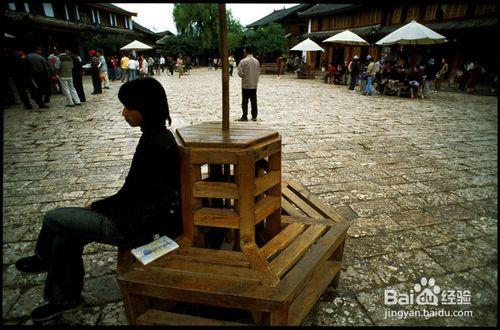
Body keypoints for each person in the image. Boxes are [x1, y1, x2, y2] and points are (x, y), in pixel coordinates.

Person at [14, 77, 183, 323]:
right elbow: (134, 192)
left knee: (53, 218)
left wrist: (96, 206)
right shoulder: (155, 136)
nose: (123, 113)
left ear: (144, 108)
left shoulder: (156, 144)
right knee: (64, 236)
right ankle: (64, 299)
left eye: (128, 107)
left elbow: (133, 197)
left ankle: (42, 258)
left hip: (133, 227)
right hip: (135, 216)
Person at [237, 46, 260, 122]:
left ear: (246, 51)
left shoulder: (243, 61)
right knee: (254, 101)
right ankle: (254, 116)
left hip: (246, 84)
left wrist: (245, 75)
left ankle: (244, 116)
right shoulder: (256, 61)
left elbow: (240, 73)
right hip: (254, 84)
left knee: (245, 101)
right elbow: (258, 73)